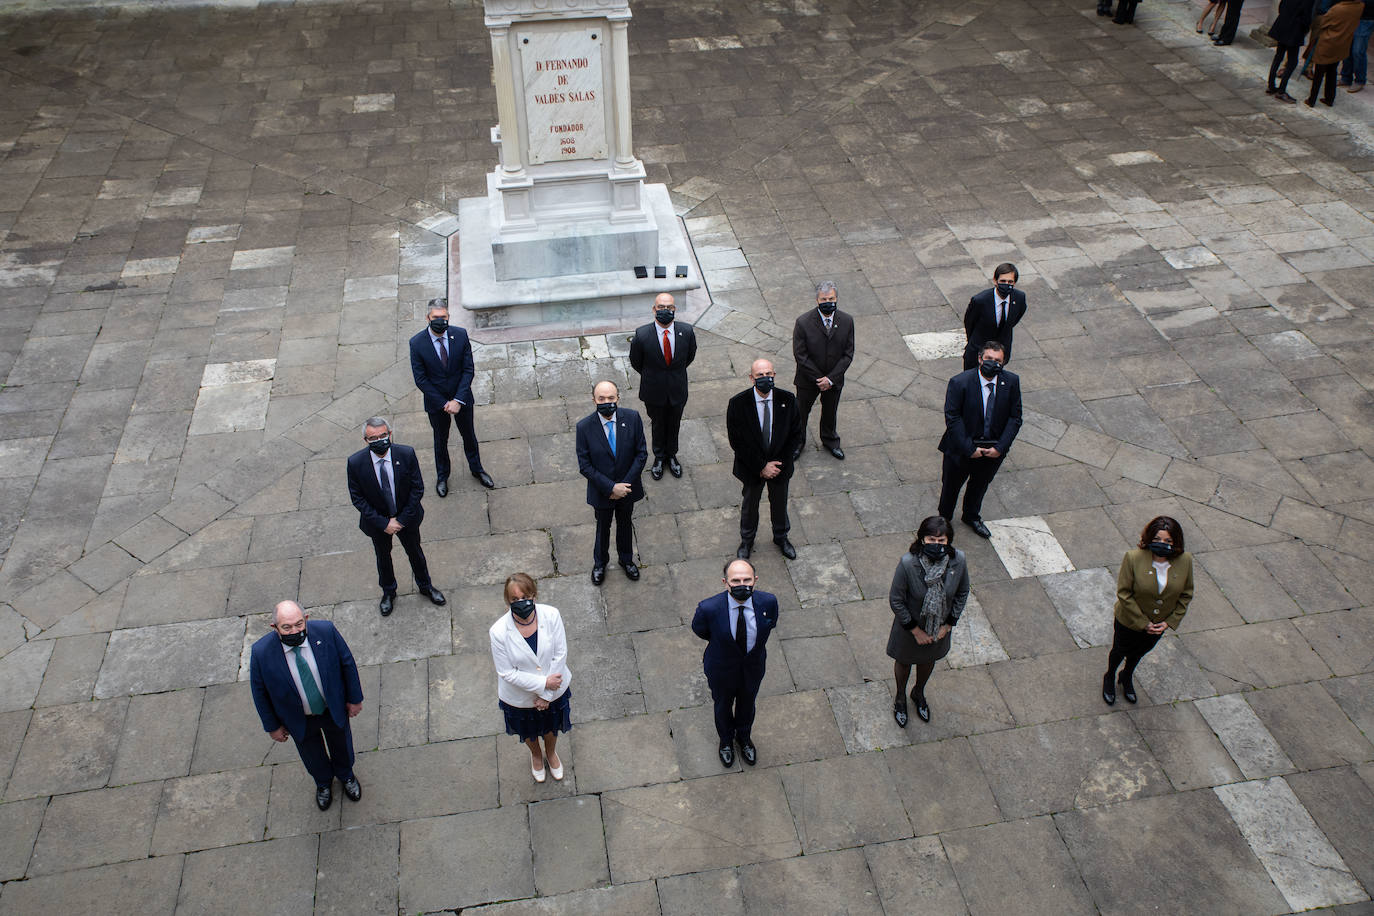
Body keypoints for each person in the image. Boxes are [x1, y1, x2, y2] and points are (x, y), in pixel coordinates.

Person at [250, 600, 364, 811]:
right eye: (287, 627)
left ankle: (346, 775)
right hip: (298, 718)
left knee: (342, 744)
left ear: (306, 620)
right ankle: (323, 784)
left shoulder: (326, 632)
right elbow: (260, 693)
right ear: (275, 628)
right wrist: (272, 726)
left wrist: (355, 698)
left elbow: (346, 663)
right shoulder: (261, 653)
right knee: (312, 754)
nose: (295, 630)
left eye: (299, 624)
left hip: (332, 708)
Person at [346, 417, 446, 616]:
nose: (379, 440)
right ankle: (388, 592)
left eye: (383, 435)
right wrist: (384, 523)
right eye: (373, 438)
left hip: (407, 518)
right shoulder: (355, 463)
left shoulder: (406, 454)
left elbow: (417, 489)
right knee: (383, 557)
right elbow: (358, 499)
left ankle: (426, 586)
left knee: (415, 552)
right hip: (378, 524)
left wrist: (400, 520)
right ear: (365, 440)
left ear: (390, 434)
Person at [691, 559, 780, 768]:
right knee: (722, 706)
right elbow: (700, 630)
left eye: (747, 579)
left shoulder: (768, 602)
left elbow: (771, 623)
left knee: (747, 704)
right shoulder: (709, 608)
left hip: (753, 667)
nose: (742, 585)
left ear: (755, 580)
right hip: (721, 669)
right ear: (725, 582)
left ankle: (744, 738)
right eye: (736, 580)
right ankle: (726, 742)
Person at [886, 517, 970, 727]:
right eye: (932, 539)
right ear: (922, 539)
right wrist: (915, 630)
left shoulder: (958, 560)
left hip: (939, 628)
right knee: (904, 662)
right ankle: (900, 698)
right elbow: (896, 600)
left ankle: (918, 693)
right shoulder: (908, 563)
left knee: (927, 661)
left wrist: (948, 625)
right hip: (909, 629)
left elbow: (962, 591)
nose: (937, 544)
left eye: (941, 541)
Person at [1102, 517, 1194, 705]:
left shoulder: (1185, 561)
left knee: (1139, 653)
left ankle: (1126, 676)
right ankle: (1109, 676)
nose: (1163, 544)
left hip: (1159, 625)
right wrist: (1144, 623)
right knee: (1120, 650)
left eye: (1168, 541)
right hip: (1130, 621)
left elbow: (1186, 594)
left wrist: (1169, 622)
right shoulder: (1133, 558)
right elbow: (1124, 593)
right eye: (1158, 539)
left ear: (1176, 541)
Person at [489, 573, 572, 783]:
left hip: (553, 691)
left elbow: (560, 654)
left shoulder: (551, 615)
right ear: (508, 602)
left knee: (551, 727)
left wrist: (547, 694)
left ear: (534, 595)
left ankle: (551, 754)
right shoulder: (498, 632)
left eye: (525, 597)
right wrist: (544, 684)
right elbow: (506, 672)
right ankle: (536, 755)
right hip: (520, 698)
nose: (520, 603)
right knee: (529, 732)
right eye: (514, 600)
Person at [937, 341, 1023, 539]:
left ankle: (971, 516)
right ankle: (944, 519)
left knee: (980, 485)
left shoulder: (1011, 382)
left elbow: (1015, 417)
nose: (993, 364)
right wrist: (969, 448)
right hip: (962, 448)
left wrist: (1000, 447)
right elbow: (953, 417)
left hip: (992, 450)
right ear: (979, 359)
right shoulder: (960, 382)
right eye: (989, 359)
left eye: (998, 361)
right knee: (951, 486)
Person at [409, 298, 494, 495]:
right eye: (436, 317)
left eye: (444, 317)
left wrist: (457, 400)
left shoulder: (460, 335)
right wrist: (443, 403)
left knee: (469, 436)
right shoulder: (416, 343)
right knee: (440, 439)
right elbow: (421, 379)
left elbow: (468, 369)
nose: (440, 321)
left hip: (461, 398)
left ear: (448, 317)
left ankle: (477, 470)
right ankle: (442, 476)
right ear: (428, 318)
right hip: (436, 402)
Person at [725, 358, 805, 560]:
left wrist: (777, 465)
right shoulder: (738, 404)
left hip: (780, 468)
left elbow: (796, 436)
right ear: (751, 378)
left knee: (780, 504)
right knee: (750, 506)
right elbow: (737, 442)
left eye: (769, 374)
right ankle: (747, 541)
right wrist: (761, 466)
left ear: (774, 375)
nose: (765, 378)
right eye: (760, 375)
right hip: (752, 469)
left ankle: (781, 537)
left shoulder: (787, 399)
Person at [574, 380, 648, 585]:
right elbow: (585, 465)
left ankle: (626, 559)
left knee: (625, 524)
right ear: (594, 400)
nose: (607, 402)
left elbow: (641, 454)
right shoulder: (584, 427)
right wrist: (611, 487)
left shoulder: (632, 418)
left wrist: (623, 486)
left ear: (618, 398)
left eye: (611, 398)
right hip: (602, 492)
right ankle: (600, 563)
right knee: (602, 527)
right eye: (601, 399)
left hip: (628, 490)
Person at [628, 292, 697, 480]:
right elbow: (636, 362)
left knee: (674, 424)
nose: (665, 311)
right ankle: (659, 457)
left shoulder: (687, 331)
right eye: (661, 307)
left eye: (669, 308)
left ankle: (672, 455)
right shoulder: (642, 334)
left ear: (675, 309)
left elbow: (689, 357)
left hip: (677, 389)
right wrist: (654, 376)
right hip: (654, 391)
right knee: (658, 424)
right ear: (654, 309)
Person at [792, 280, 856, 461]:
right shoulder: (803, 322)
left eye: (831, 298)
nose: (828, 302)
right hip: (808, 380)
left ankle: (830, 440)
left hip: (834, 380)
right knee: (801, 412)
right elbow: (800, 354)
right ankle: (797, 442)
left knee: (830, 411)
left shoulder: (846, 321)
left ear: (836, 298)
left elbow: (848, 354)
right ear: (817, 300)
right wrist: (819, 378)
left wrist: (831, 379)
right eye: (824, 299)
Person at [962, 264, 1027, 371]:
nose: (1006, 285)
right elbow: (970, 323)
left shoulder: (1019, 298)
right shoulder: (980, 300)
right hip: (978, 349)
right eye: (1003, 281)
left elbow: (1015, 317)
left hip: (1001, 351)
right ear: (995, 281)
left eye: (1010, 282)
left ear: (1014, 283)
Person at [1308, 0, 1366, 104]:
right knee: (1332, 72)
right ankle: (1330, 99)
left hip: (1327, 43)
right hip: (1342, 44)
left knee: (1319, 74)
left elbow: (1323, 23)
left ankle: (1312, 99)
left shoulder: (1337, 9)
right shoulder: (1360, 6)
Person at [1268, 0, 1315, 101]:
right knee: (1292, 62)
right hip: (1294, 29)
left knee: (1278, 56)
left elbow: (1281, 5)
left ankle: (1271, 85)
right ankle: (1281, 91)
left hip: (1283, 24)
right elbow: (1306, 16)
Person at [1338, 0, 1374, 90]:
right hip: (1353, 15)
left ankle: (1360, 80)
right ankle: (1346, 77)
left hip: (1367, 18)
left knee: (1358, 50)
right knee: (1348, 48)